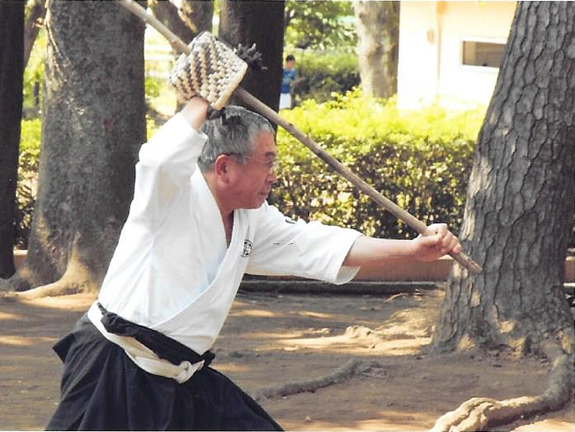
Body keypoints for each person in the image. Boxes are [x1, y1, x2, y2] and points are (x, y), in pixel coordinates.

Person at [46, 33, 461, 431]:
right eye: (267, 161)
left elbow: (317, 245)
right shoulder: (169, 198)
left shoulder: (251, 218)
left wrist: (412, 249)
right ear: (224, 166)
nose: (274, 176)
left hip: (183, 379)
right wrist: (203, 99)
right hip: (113, 370)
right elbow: (158, 160)